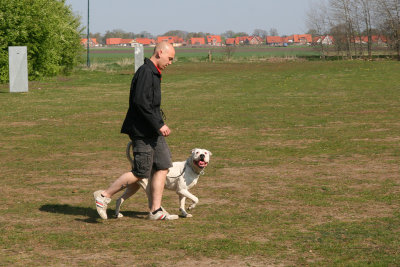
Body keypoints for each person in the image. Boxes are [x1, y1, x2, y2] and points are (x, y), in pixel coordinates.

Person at [93, 41, 178, 220]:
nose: (170, 62)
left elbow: (151, 104)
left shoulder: (154, 72)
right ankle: (104, 196)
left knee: (163, 166)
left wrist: (158, 124)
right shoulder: (146, 72)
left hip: (153, 130)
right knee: (141, 172)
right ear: (160, 52)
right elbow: (140, 103)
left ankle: (155, 211)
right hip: (142, 131)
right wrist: (159, 124)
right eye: (169, 58)